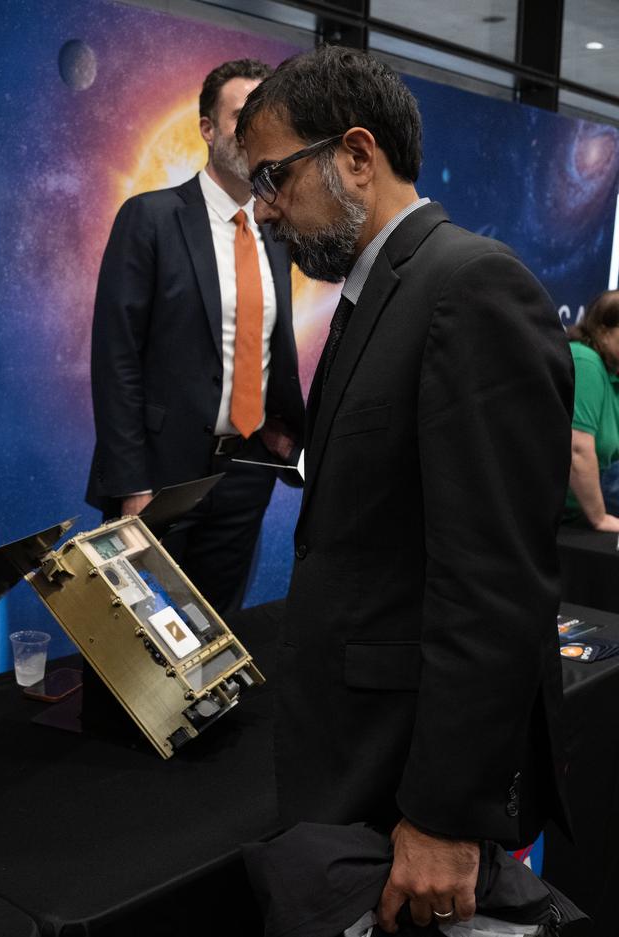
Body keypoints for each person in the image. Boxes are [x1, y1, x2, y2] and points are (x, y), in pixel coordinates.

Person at [236, 46, 572, 933]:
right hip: (352, 757)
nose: (265, 209)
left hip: (405, 781)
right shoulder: (382, 289)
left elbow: (494, 585)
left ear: (356, 154)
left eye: (274, 177)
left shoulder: (469, 287)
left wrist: (444, 816)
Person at [86, 58, 304, 615]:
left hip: (245, 476)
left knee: (215, 645)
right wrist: (132, 483)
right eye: (240, 117)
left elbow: (270, 350)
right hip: (159, 481)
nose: (255, 131)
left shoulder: (277, 233)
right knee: (139, 648)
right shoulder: (150, 219)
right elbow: (117, 361)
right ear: (208, 128)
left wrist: (287, 442)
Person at [564, 290, 619, 530]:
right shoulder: (585, 360)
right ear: (603, 331)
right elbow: (577, 449)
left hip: (574, 517)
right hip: (547, 523)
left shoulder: (613, 375)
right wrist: (600, 518)